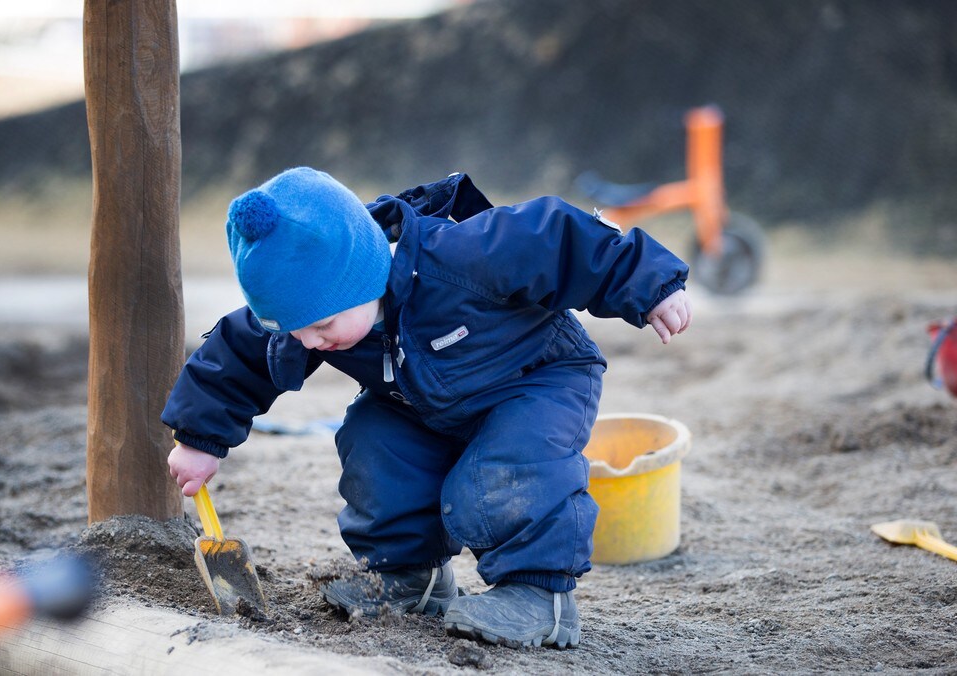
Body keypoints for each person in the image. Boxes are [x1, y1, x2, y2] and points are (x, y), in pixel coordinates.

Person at [163, 167, 691, 649]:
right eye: (296, 331)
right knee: (374, 440)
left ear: (363, 275)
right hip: (423, 404)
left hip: (534, 381)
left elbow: (560, 239)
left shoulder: (462, 257)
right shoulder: (308, 313)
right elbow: (237, 354)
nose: (312, 341)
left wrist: (650, 285)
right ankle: (410, 578)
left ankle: (539, 597)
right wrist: (198, 438)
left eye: (322, 326)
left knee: (504, 472)